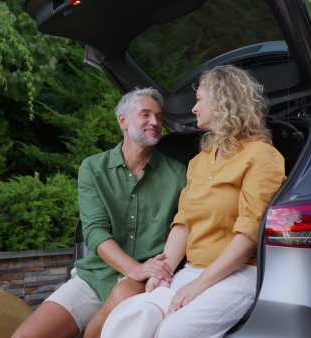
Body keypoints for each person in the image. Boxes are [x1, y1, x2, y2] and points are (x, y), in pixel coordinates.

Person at [99, 65, 286, 338]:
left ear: (222, 101)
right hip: (192, 269)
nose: (193, 109)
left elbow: (249, 234)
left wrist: (198, 285)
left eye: (199, 100)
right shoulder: (199, 161)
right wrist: (162, 273)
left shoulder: (262, 156)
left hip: (240, 272)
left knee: (172, 332)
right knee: (133, 322)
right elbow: (183, 223)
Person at [12, 88, 187, 338]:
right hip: (94, 274)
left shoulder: (178, 173)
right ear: (123, 121)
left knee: (120, 297)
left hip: (144, 277)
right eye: (145, 115)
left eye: (159, 117)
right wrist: (132, 268)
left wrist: (142, 272)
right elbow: (94, 232)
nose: (155, 122)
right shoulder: (93, 167)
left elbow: (185, 225)